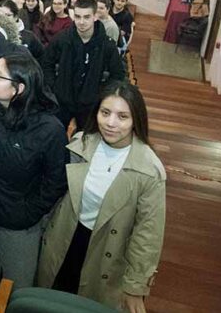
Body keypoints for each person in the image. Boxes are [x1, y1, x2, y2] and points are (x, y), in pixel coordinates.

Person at [37, 82, 165, 312]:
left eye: (122, 116)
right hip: (65, 240)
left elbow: (148, 234)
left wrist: (136, 286)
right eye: (105, 113)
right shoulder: (80, 144)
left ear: (136, 119)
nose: (111, 123)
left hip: (108, 250)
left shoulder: (148, 169)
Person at [0, 53, 69, 289]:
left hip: (18, 223)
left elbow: (55, 182)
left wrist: (28, 213)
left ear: (18, 89)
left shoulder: (49, 130)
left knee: (17, 285)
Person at [41, 0, 126, 131]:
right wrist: (54, 86)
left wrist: (101, 92)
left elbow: (118, 74)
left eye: (86, 17)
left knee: (85, 141)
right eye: (78, 16)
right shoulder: (62, 39)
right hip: (62, 100)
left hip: (90, 104)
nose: (81, 22)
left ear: (95, 16)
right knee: (55, 136)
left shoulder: (107, 45)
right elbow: (46, 63)